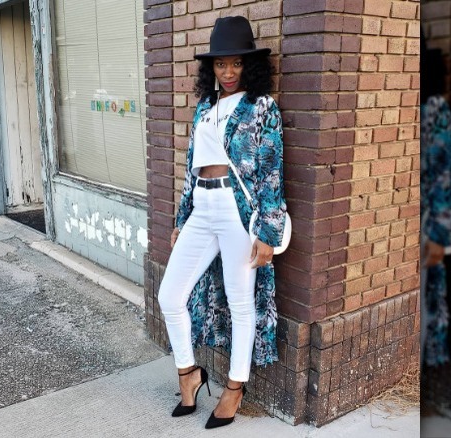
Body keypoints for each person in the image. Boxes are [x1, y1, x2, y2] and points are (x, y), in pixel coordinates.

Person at [156, 16, 288, 429]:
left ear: (248, 66)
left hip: (237, 213)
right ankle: (188, 373)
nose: (227, 72)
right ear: (210, 68)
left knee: (240, 302)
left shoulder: (262, 107)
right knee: (169, 296)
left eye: (235, 64)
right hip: (201, 209)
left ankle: (234, 388)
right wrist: (182, 218)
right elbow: (190, 168)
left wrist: (266, 232)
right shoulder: (204, 108)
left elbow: (271, 172)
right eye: (220, 65)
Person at [420, 35, 451, 368]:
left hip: (424, 221)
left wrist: (438, 236)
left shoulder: (434, 107)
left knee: (423, 302)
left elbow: (442, 173)